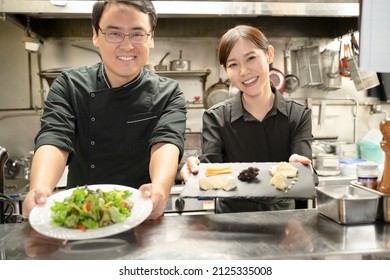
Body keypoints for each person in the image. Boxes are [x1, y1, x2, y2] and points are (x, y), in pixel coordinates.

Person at [22, 0, 187, 220]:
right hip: (81, 214)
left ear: (151, 38)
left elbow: (166, 143)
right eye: (114, 33)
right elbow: (54, 137)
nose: (127, 45)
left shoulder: (169, 92)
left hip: (142, 214)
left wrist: (160, 188)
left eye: (137, 34)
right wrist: (39, 189)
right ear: (95, 35)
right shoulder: (69, 85)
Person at [181, 25, 313, 213]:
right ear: (225, 69)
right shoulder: (215, 117)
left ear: (269, 54)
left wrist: (301, 166)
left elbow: (302, 177)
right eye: (233, 64)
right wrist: (195, 170)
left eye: (251, 58)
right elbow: (210, 174)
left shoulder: (298, 115)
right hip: (230, 221)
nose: (243, 71)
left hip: (284, 221)